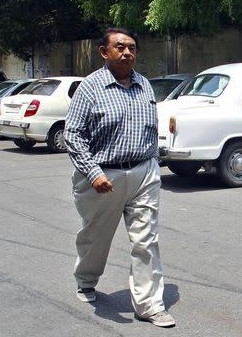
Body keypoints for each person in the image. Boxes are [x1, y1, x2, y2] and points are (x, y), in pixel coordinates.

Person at [64, 27, 175, 328]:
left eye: (132, 48)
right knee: (96, 237)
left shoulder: (145, 86)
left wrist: (154, 159)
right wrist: (93, 172)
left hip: (143, 173)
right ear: (104, 52)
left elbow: (149, 128)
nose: (128, 52)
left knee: (146, 240)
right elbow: (72, 134)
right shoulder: (91, 87)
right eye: (120, 47)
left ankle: (150, 304)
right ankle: (86, 281)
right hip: (102, 177)